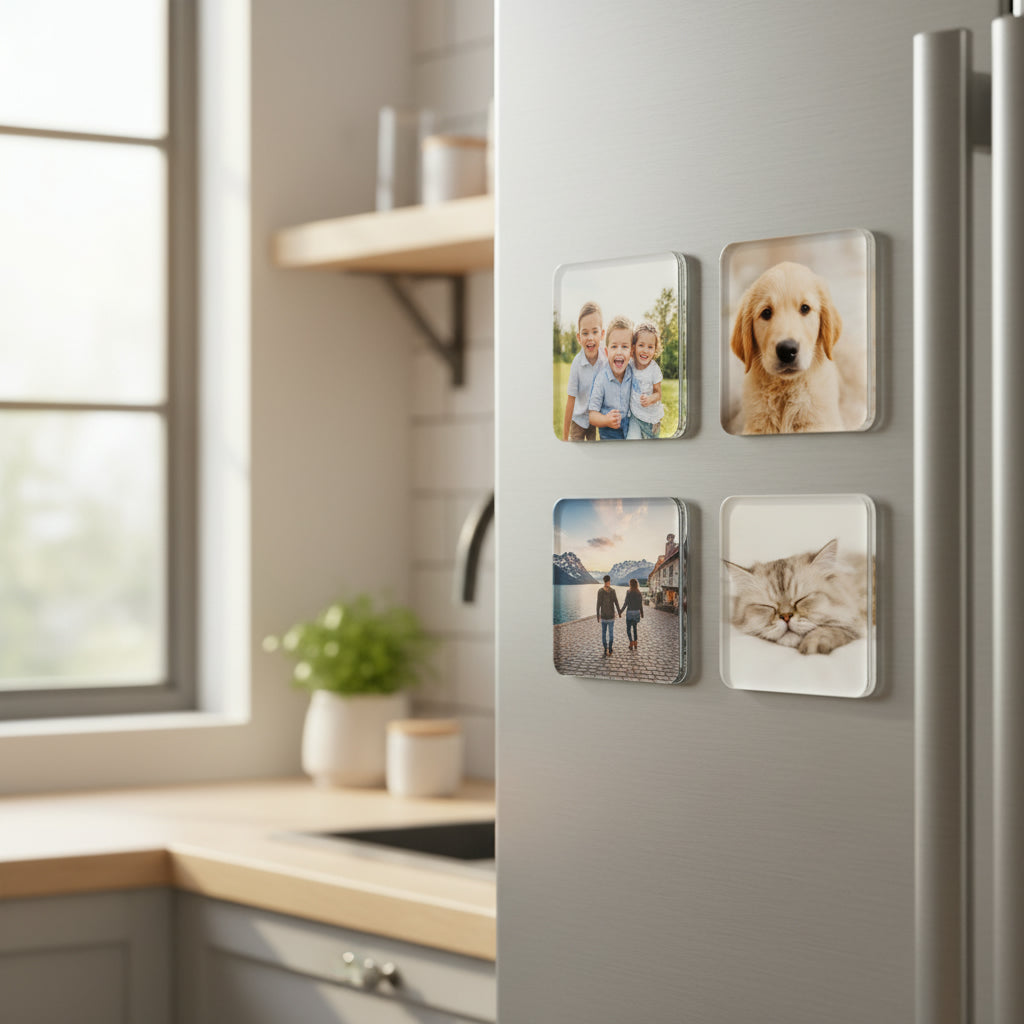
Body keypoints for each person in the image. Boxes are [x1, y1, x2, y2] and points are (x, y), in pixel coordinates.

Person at [562, 301, 606, 441]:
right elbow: (571, 399)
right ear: (579, 338)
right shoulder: (577, 364)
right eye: (585, 333)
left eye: (595, 331)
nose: (590, 337)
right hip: (579, 420)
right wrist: (564, 436)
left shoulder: (605, 359)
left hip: (595, 419)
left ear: (602, 334)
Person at [588, 314, 634, 440]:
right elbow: (592, 415)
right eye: (614, 346)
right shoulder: (601, 379)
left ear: (631, 353)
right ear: (607, 352)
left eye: (624, 347)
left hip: (630, 428)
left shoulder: (632, 372)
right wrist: (606, 420)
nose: (619, 351)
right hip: (609, 433)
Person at [628, 319, 665, 439]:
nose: (645, 350)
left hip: (651, 421)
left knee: (650, 451)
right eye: (641, 345)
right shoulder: (631, 364)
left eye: (650, 347)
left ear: (655, 350)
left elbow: (658, 394)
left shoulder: (654, 370)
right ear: (634, 347)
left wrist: (650, 399)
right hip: (635, 416)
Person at [596, 575, 623, 657]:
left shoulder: (600, 591)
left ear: (604, 581)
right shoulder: (612, 591)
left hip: (603, 616)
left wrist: (598, 615)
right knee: (611, 633)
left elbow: (598, 604)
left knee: (603, 633)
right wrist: (619, 612)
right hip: (611, 616)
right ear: (609, 581)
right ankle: (610, 648)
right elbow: (616, 602)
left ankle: (605, 649)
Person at [623, 578, 644, 649]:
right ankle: (635, 643)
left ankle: (631, 642)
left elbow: (626, 603)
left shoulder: (628, 592)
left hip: (630, 612)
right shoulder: (639, 593)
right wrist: (642, 613)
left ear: (630, 584)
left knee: (628, 629)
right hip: (636, 613)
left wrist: (620, 611)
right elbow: (640, 604)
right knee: (635, 628)